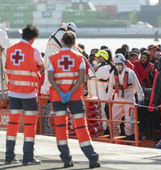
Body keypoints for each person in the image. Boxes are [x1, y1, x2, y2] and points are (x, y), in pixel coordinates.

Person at [48, 31, 100, 168]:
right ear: (73, 43)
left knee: (60, 128)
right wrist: (70, 92)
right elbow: (81, 78)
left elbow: (51, 79)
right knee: (81, 127)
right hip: (75, 97)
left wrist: (61, 92)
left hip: (58, 98)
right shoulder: (79, 57)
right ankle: (92, 158)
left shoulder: (53, 58)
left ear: (62, 41)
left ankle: (66, 160)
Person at [5, 23, 44, 165]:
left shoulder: (9, 50)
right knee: (29, 127)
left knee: (12, 125)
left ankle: (9, 156)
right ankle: (27, 157)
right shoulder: (34, 51)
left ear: (22, 35)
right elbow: (41, 66)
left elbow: (8, 67)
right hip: (29, 96)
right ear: (33, 38)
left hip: (13, 94)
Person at [106, 53, 144, 139]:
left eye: (119, 64)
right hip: (117, 100)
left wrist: (140, 98)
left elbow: (138, 87)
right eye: (116, 64)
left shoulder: (130, 73)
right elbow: (110, 88)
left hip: (129, 100)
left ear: (123, 63)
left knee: (129, 123)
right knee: (111, 121)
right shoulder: (113, 73)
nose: (118, 66)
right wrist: (108, 99)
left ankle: (130, 137)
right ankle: (116, 137)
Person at [41, 22, 77, 97]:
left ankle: (43, 104)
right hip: (55, 61)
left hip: (47, 60)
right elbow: (73, 50)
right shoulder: (65, 35)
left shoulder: (55, 33)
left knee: (47, 83)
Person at [87, 50, 110, 130]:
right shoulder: (99, 67)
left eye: (97, 57)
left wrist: (91, 67)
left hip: (100, 93)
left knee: (101, 112)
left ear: (102, 58)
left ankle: (104, 130)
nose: (95, 58)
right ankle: (96, 129)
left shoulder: (104, 68)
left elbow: (93, 75)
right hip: (93, 93)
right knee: (94, 112)